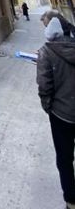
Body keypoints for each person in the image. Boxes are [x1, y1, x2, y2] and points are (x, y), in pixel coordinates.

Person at [37, 17, 75, 209]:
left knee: (65, 158)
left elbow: (44, 86)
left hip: (61, 115)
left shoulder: (46, 52)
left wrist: (48, 107)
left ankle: (71, 201)